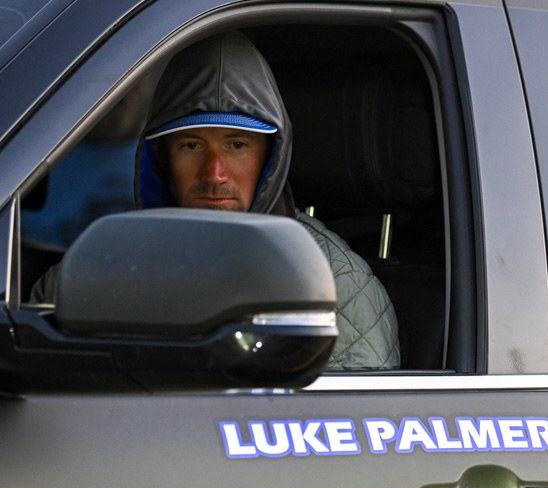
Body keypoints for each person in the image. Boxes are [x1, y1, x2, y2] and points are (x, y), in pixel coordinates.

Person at [34, 31, 400, 371]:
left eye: (237, 145)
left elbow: (351, 415)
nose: (214, 173)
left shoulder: (336, 283)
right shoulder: (100, 260)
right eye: (191, 145)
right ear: (161, 156)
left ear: (270, 157)